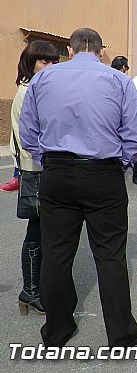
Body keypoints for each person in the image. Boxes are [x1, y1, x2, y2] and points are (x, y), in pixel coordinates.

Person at [19, 27, 137, 347]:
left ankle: (56, 331)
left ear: (70, 50)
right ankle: (122, 332)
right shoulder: (119, 81)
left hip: (56, 173)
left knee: (56, 253)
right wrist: (117, 164)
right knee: (110, 255)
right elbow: (135, 136)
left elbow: (28, 133)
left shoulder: (43, 79)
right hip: (103, 175)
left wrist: (49, 160)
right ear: (100, 50)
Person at [11, 41, 59, 315]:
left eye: (53, 62)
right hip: (37, 170)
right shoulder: (27, 93)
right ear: (30, 63)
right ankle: (30, 291)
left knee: (42, 231)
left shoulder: (37, 89)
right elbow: (29, 139)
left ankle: (35, 289)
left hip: (41, 168)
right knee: (37, 231)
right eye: (43, 61)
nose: (49, 67)